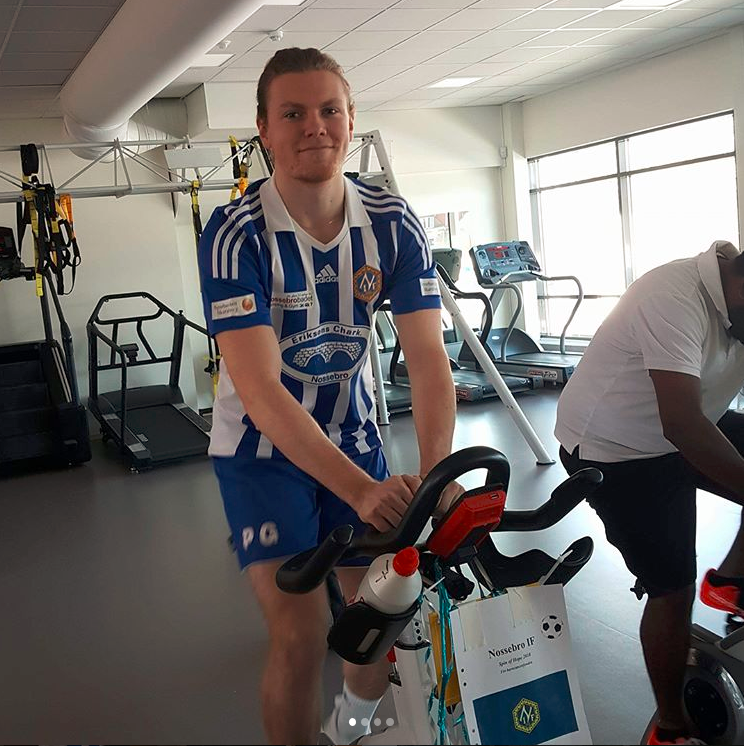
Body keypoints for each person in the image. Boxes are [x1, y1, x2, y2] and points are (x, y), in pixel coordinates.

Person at [197, 48, 457, 745]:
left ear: (350, 118)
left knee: (382, 611)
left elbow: (427, 358)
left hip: (355, 438)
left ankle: (349, 727)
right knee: (303, 634)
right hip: (261, 456)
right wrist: (362, 491)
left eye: (328, 110)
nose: (314, 126)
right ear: (263, 130)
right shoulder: (235, 234)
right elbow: (260, 391)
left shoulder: (392, 221)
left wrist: (436, 474)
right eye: (292, 113)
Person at [555, 239, 744, 745]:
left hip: (693, 419)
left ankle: (730, 581)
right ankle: (670, 726)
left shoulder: (736, 303)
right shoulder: (673, 295)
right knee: (671, 587)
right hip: (615, 449)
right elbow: (680, 424)